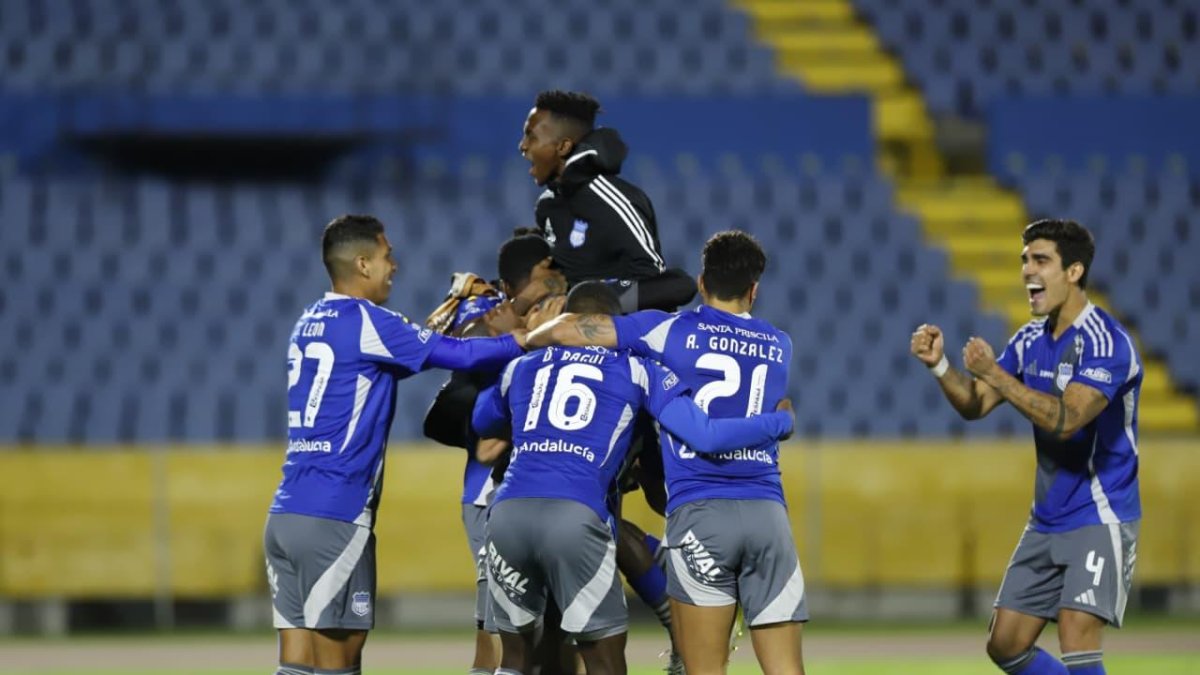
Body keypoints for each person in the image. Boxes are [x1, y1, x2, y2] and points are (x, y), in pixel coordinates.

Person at [472, 282, 795, 675]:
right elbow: (704, 434)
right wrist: (779, 421)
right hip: (575, 517)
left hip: (507, 514)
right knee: (604, 658)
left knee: (515, 657)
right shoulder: (637, 369)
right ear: (610, 324)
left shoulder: (520, 368)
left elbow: (482, 420)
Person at [264, 215, 528, 675]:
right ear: (363, 263)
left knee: (295, 665)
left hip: (286, 516)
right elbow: (462, 354)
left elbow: (420, 347)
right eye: (388, 256)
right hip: (336, 516)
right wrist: (528, 337)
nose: (395, 266)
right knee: (337, 663)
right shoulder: (367, 322)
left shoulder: (308, 322)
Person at [910, 220, 1140, 675]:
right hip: (1046, 520)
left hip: (1100, 513)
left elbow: (1067, 420)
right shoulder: (1030, 339)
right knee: (1005, 643)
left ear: (1073, 271)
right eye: (1024, 261)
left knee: (1076, 630)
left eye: (1040, 261)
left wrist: (996, 374)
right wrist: (941, 368)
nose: (1026, 271)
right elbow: (976, 405)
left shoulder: (1106, 342)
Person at [422, 232, 566, 675]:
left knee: (549, 636)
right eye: (548, 278)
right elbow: (461, 337)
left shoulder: (549, 326)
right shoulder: (489, 318)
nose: (558, 285)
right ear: (517, 286)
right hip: (491, 494)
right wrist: (515, 331)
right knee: (500, 643)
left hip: (538, 495)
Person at [519, 89, 695, 313]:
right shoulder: (547, 205)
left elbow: (662, 285)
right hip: (563, 337)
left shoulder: (611, 198)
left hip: (615, 341)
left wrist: (595, 304)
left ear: (563, 146)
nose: (522, 145)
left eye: (531, 136)